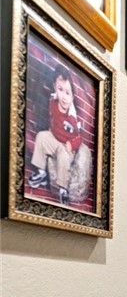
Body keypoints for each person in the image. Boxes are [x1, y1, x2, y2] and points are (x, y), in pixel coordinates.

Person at [27, 63, 82, 206]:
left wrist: (72, 144)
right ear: (54, 88)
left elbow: (79, 137)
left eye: (68, 93)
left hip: (65, 145)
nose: (64, 96)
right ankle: (41, 172)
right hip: (54, 139)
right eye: (60, 90)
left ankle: (63, 189)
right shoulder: (52, 101)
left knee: (63, 155)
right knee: (41, 136)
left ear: (73, 97)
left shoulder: (72, 117)